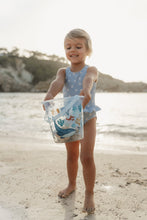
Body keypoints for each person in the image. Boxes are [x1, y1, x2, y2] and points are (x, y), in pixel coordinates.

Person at [43, 28, 101, 214]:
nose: (72, 50)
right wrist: (51, 93)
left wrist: (86, 90)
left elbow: (89, 80)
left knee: (86, 157)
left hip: (88, 118)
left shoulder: (91, 69)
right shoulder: (63, 71)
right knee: (71, 156)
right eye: (68, 47)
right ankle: (71, 184)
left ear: (87, 51)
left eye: (78, 46)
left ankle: (89, 193)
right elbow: (57, 83)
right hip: (69, 117)